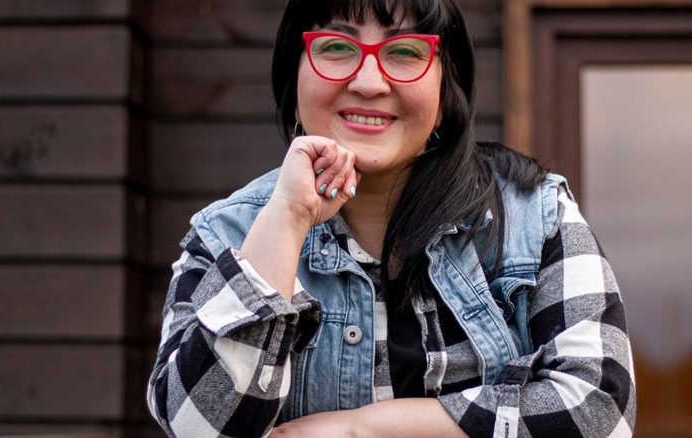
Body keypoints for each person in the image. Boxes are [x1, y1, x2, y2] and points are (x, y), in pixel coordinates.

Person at [146, 0, 635, 436]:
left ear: (446, 94)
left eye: (404, 52)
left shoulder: (536, 216)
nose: (368, 82)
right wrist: (288, 218)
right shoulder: (227, 234)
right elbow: (196, 426)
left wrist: (358, 430)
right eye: (336, 47)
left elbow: (600, 413)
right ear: (294, 80)